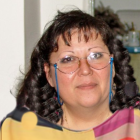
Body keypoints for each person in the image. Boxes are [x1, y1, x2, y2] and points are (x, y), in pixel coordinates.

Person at [1, 9, 140, 140]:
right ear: (49, 75)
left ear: (112, 65)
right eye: (68, 59)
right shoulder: (20, 132)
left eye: (96, 55)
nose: (85, 70)